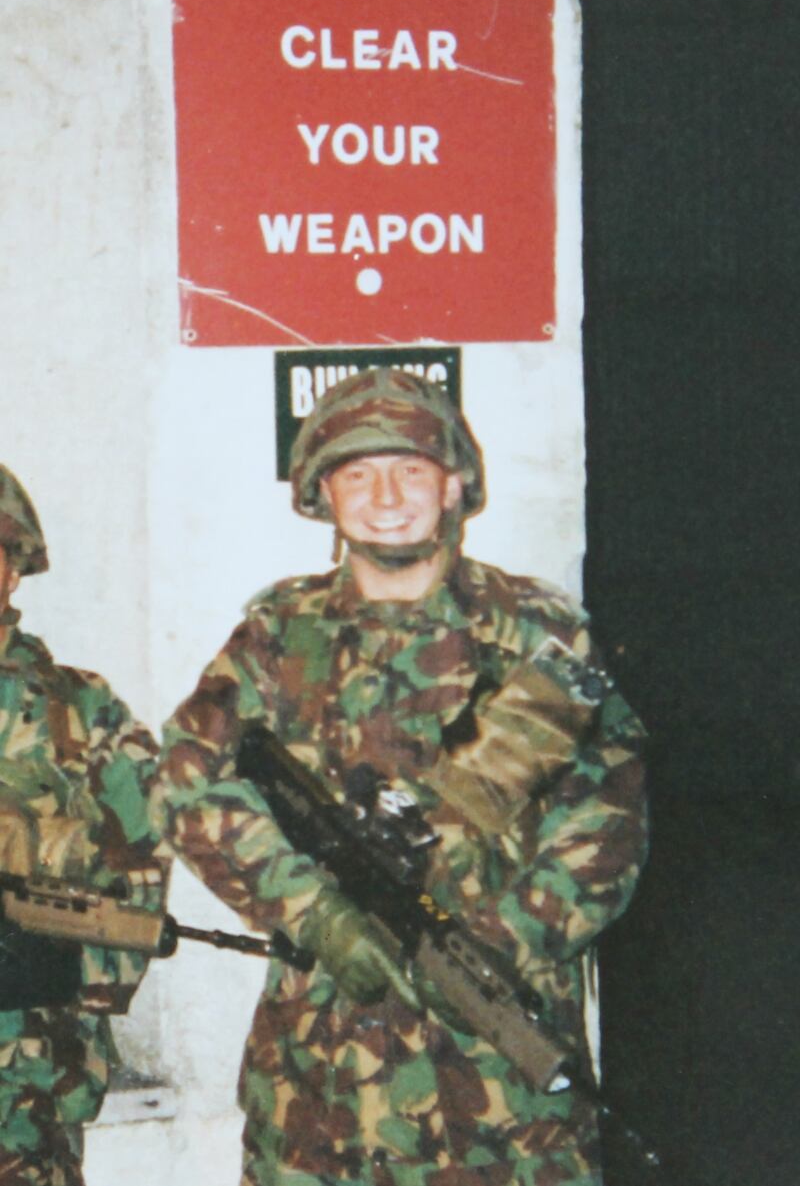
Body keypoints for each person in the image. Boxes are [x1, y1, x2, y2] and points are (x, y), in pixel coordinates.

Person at [152, 368, 648, 1186]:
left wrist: (490, 944)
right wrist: (316, 914)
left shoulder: (539, 633)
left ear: (454, 483)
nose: (386, 494)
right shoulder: (278, 633)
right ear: (323, 493)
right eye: (357, 472)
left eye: (411, 468)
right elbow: (186, 778)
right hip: (323, 1085)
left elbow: (608, 816)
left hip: (499, 1088)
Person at [0, 465, 167, 1186]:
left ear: (13, 568)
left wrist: (35, 966)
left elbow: (141, 880)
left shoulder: (83, 713)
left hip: (24, 1097)